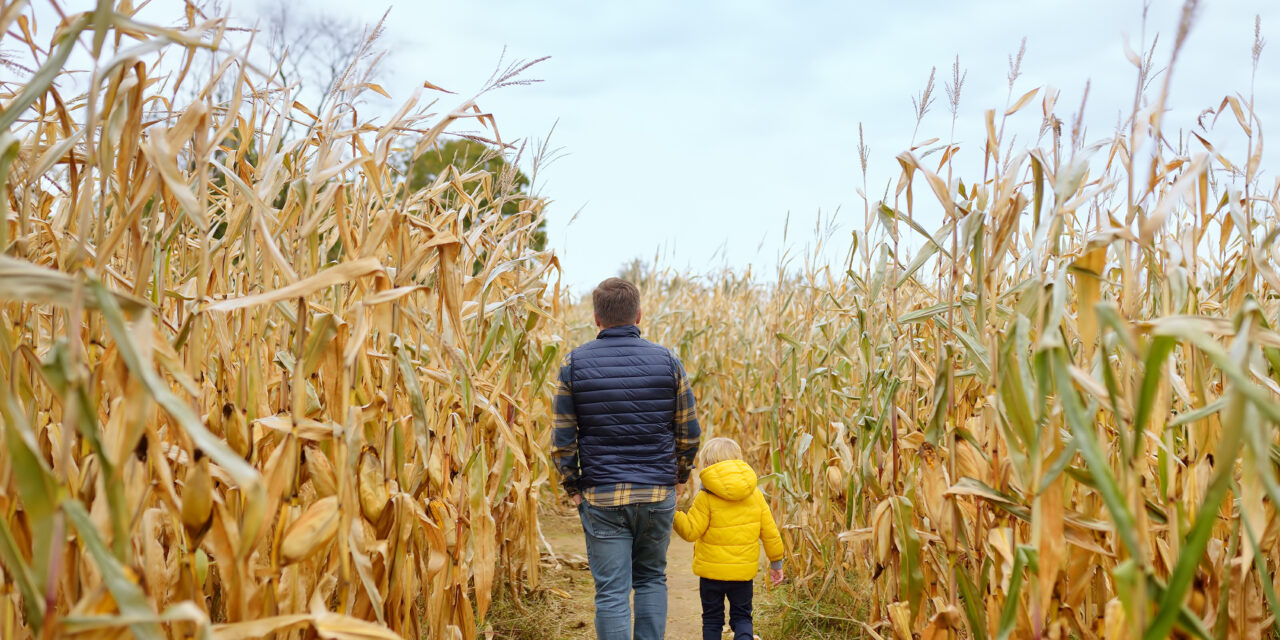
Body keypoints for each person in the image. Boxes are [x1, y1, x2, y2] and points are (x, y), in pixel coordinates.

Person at [552, 277, 702, 640]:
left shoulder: (574, 364)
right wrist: (678, 475)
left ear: (596, 318)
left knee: (611, 593)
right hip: (655, 493)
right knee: (651, 578)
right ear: (638, 315)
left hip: (602, 496)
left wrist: (573, 485)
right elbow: (688, 431)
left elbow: (562, 437)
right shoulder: (668, 361)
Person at [673, 437, 785, 640]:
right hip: (742, 574)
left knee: (712, 620)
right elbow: (770, 532)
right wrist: (776, 562)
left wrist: (673, 512)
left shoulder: (705, 496)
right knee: (742, 618)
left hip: (711, 574)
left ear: (707, 465)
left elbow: (690, 532)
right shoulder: (755, 494)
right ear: (738, 460)